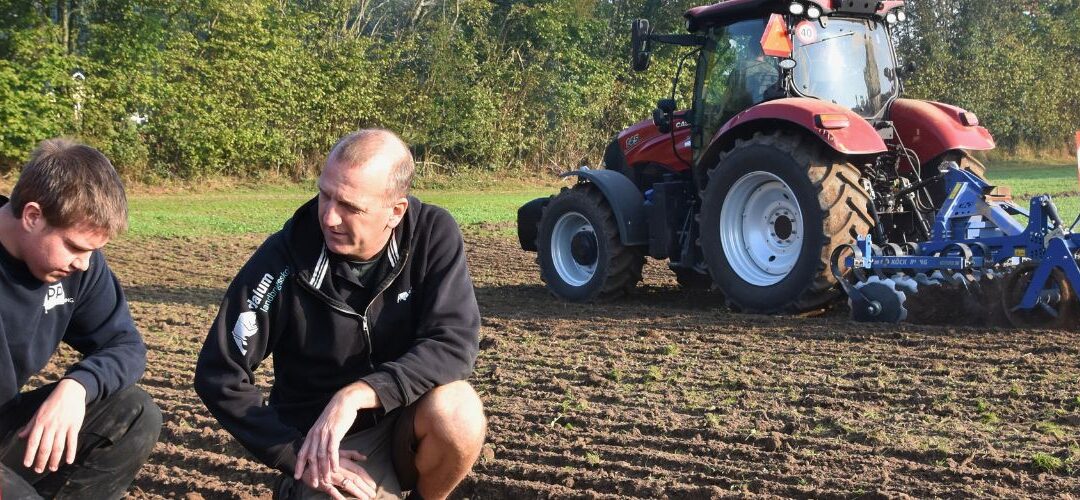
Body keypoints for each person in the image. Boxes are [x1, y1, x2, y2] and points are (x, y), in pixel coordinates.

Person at [194, 129, 486, 500]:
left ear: (395, 212)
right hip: (324, 446)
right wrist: (293, 450)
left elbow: (454, 343)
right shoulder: (285, 259)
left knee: (458, 410)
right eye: (324, 194)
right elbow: (219, 372)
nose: (329, 217)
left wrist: (360, 393)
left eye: (350, 206)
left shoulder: (431, 234)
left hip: (403, 420)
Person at [0, 138, 162, 499]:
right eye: (74, 246)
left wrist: (78, 387)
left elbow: (126, 345)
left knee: (135, 413)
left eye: (93, 251)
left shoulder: (79, 270)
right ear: (31, 216)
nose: (84, 263)